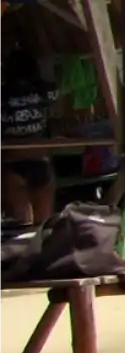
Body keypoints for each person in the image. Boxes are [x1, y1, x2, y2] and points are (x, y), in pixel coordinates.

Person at [0, 51, 57, 226]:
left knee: (20, 225)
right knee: (44, 225)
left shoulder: (3, 96)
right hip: (39, 161)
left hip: (12, 163)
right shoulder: (45, 93)